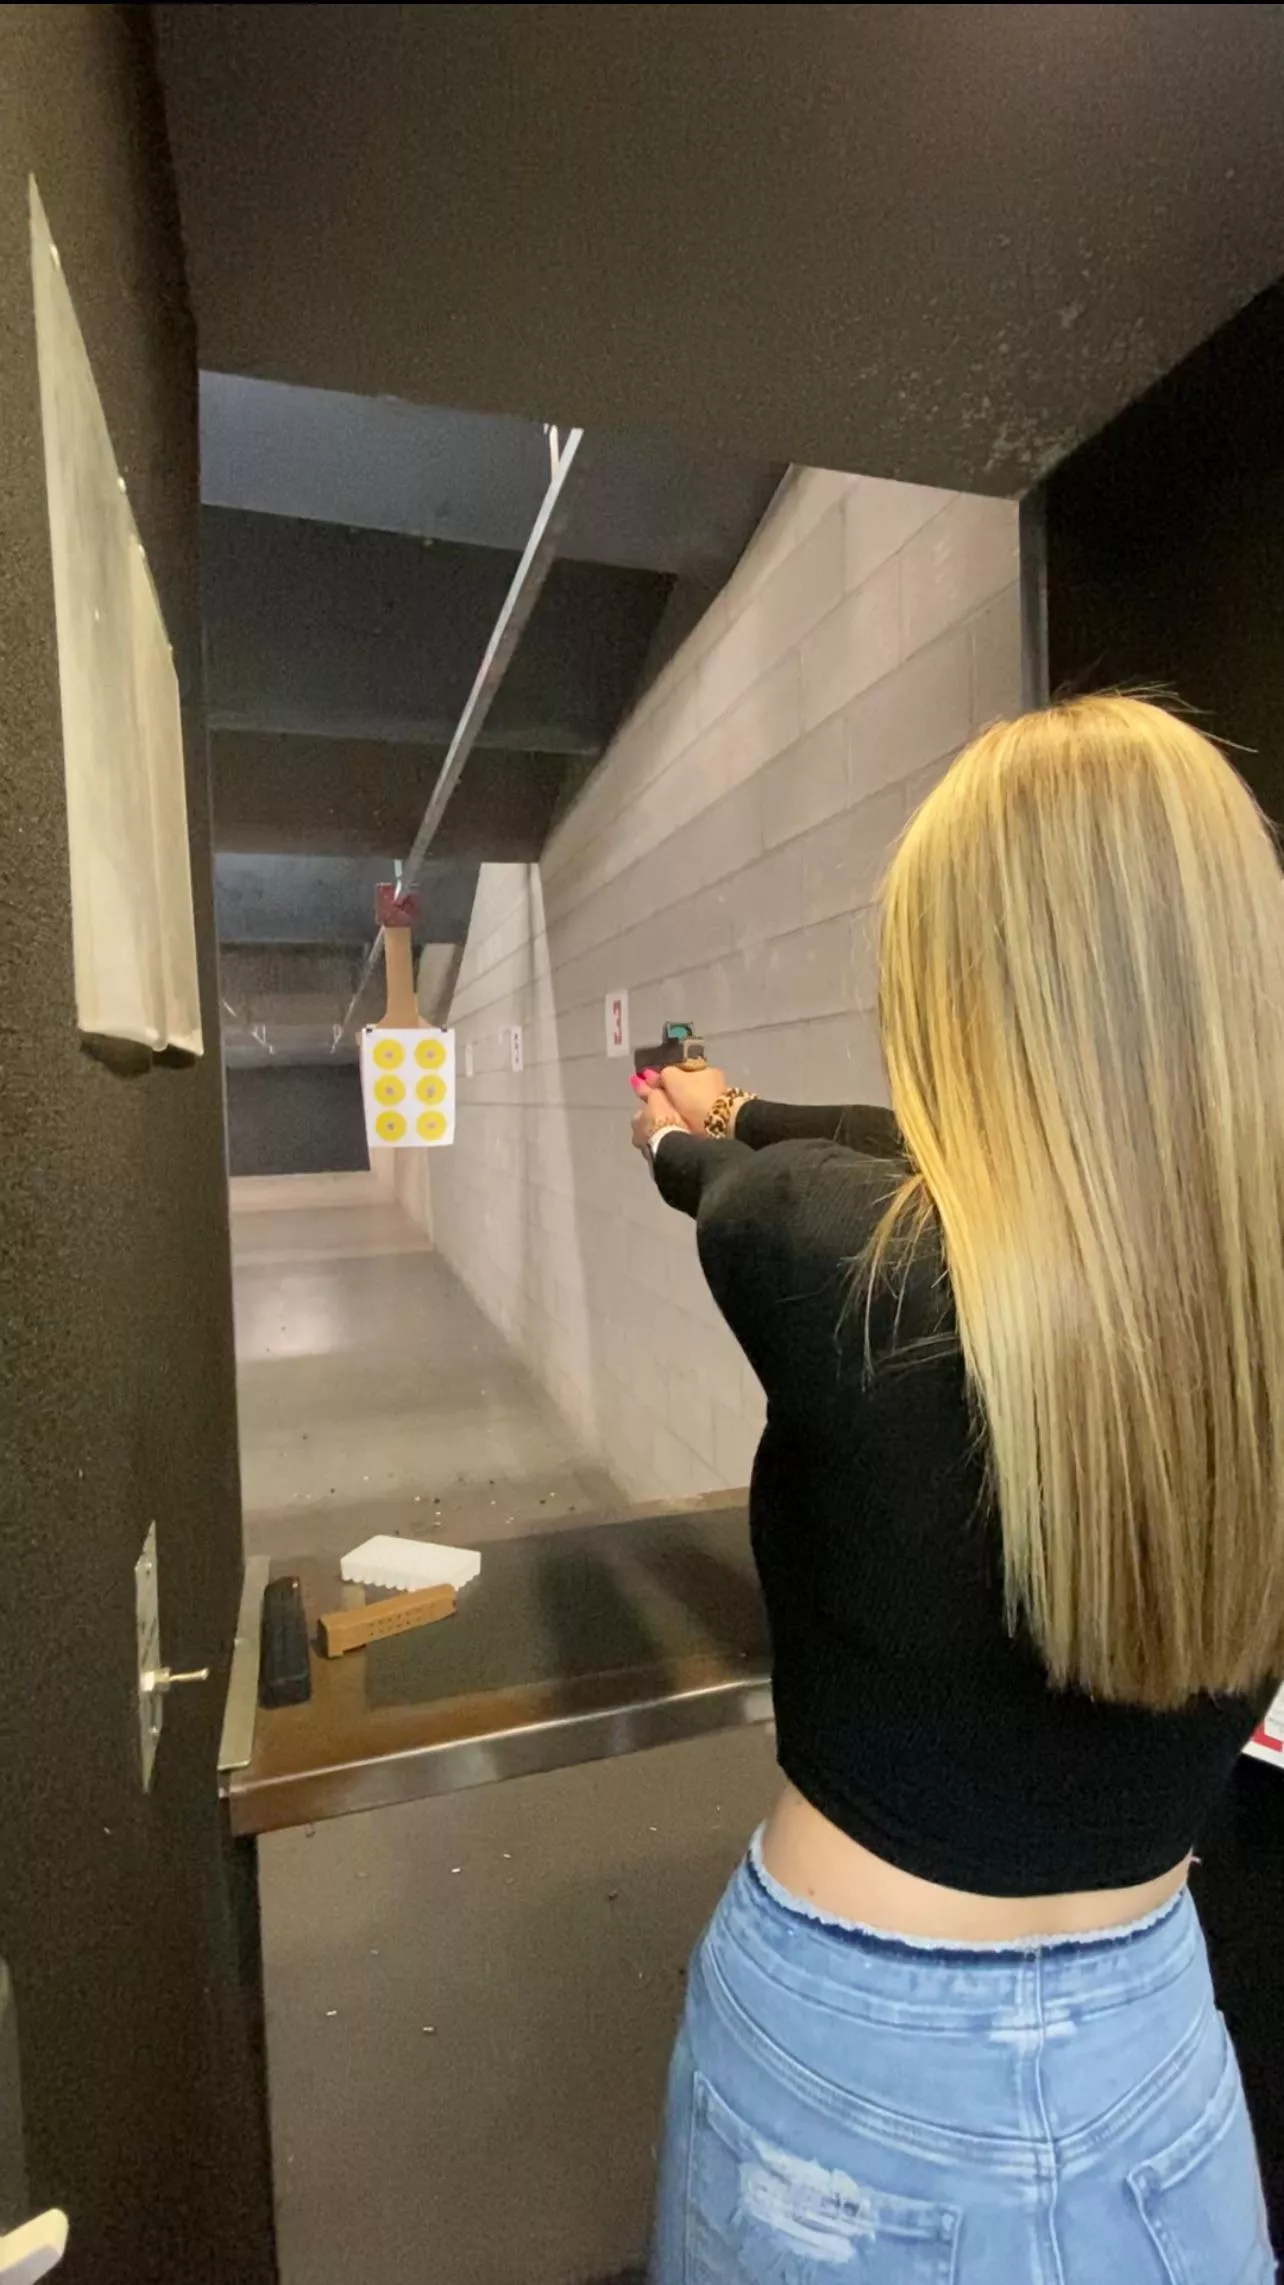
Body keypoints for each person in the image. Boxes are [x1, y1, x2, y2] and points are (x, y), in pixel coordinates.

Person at [630, 696, 1283, 2284]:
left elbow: (741, 1178)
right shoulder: (1251, 1306)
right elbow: (969, 1164)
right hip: (1162, 2060)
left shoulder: (817, 1251)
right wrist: (750, 1107)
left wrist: (700, 1123)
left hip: (846, 2075)